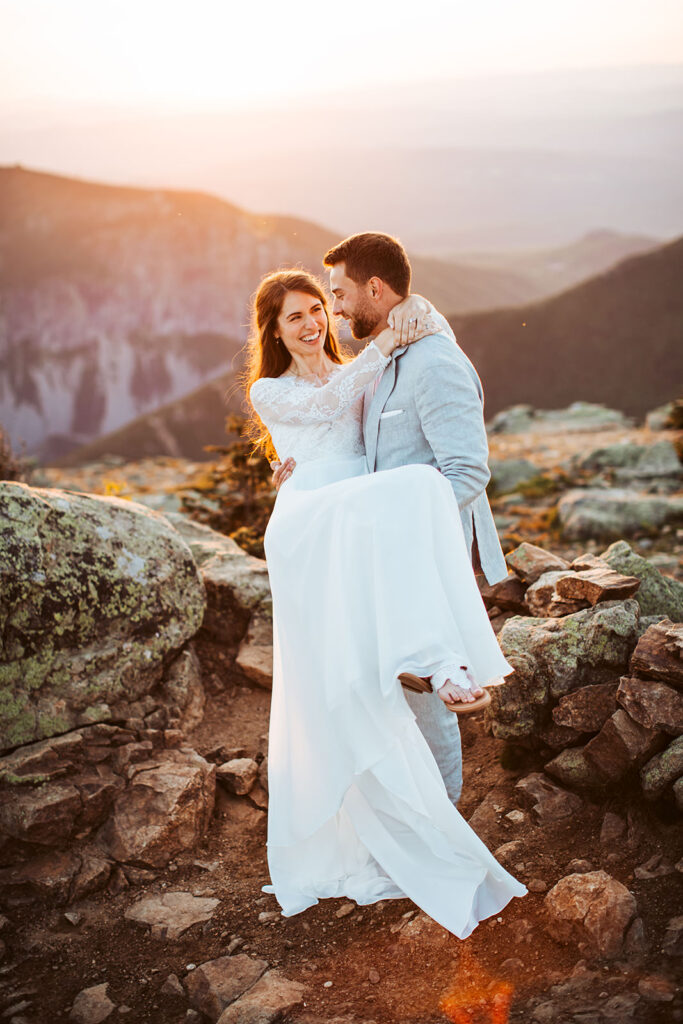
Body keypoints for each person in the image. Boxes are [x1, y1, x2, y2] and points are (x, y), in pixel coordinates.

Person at [245, 265, 525, 935]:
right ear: (274, 331)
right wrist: (387, 342)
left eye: (318, 307)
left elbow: (380, 426)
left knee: (371, 664)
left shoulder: (356, 373)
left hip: (355, 528)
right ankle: (439, 660)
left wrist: (411, 339)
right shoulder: (269, 388)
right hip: (314, 524)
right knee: (414, 490)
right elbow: (315, 413)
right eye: (295, 316)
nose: (313, 322)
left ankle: (430, 705)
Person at [271, 232, 508, 806]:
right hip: (362, 551)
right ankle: (394, 807)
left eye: (337, 296)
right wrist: (300, 483)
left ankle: (443, 819)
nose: (335, 310)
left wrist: (405, 525)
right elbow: (331, 424)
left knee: (427, 692)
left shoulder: (434, 360)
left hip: (422, 554)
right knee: (386, 687)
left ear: (375, 289)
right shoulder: (375, 362)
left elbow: (469, 473)